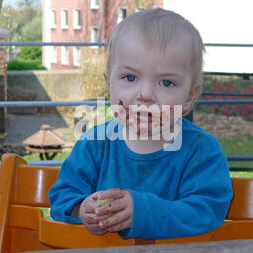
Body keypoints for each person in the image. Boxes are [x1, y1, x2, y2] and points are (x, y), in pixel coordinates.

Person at [48, 8, 233, 239]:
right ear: (110, 83)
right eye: (130, 78)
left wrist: (144, 212)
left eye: (166, 82)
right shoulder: (94, 145)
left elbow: (208, 211)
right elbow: (62, 196)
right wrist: (81, 209)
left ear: (189, 96)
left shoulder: (201, 151)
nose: (145, 94)